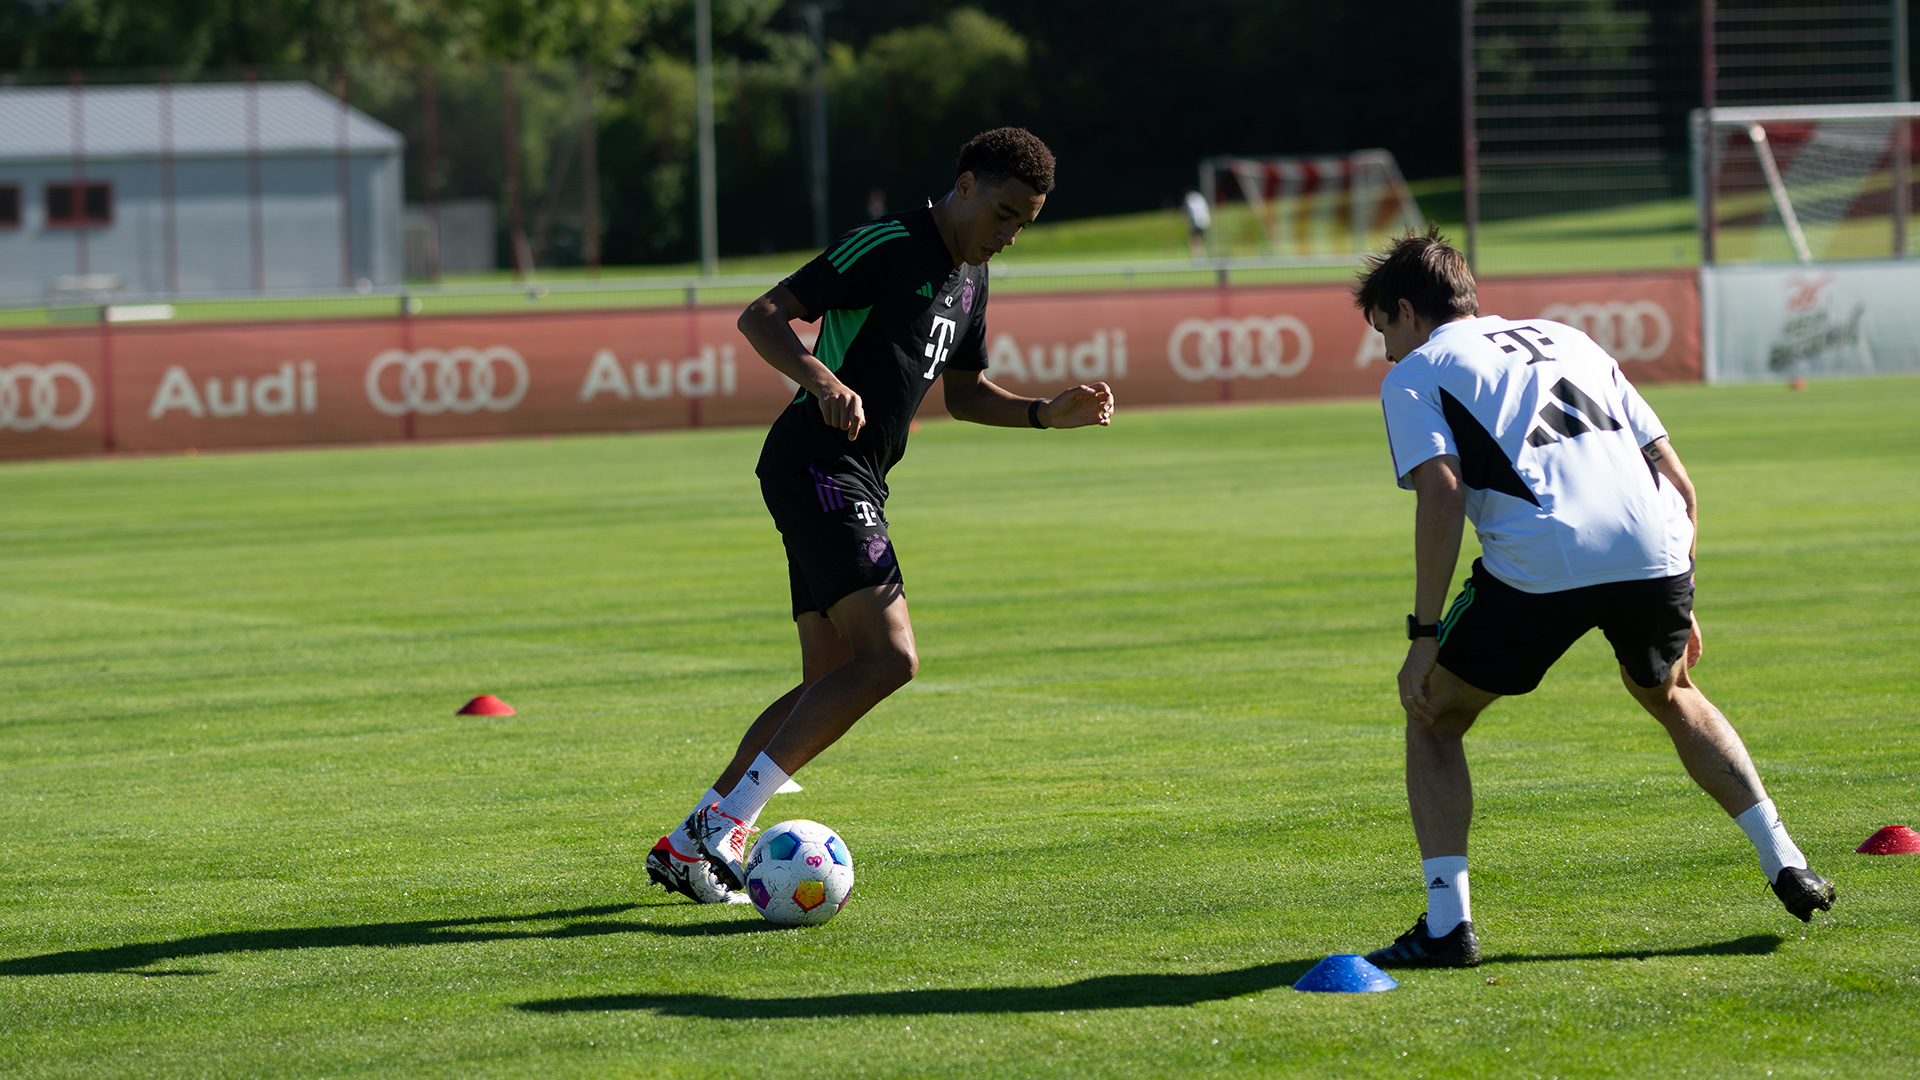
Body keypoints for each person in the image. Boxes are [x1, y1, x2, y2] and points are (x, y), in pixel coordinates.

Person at [647, 127, 1116, 903]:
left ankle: (691, 841)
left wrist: (1041, 413)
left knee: (829, 675)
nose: (1006, 236)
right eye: (1001, 213)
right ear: (964, 185)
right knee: (892, 658)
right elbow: (763, 315)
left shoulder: (972, 279)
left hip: (845, 473)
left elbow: (963, 395)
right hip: (818, 463)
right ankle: (721, 827)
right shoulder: (888, 243)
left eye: (1021, 225)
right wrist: (823, 380)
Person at [1355, 226, 1834, 968]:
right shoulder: (1569, 339)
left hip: (1543, 555)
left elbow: (1443, 497)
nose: (1384, 350)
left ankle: (1448, 926)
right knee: (1671, 691)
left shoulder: (1416, 373)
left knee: (1434, 715)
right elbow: (1677, 479)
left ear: (1408, 311)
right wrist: (1678, 586)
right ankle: (1788, 861)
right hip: (1656, 546)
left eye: (1383, 329)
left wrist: (1423, 633)